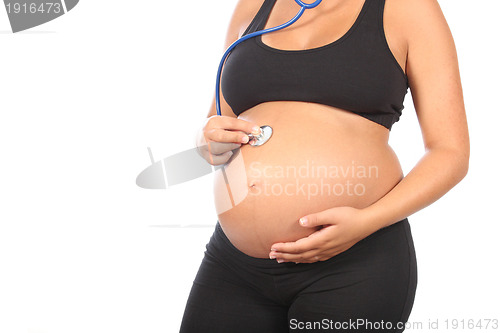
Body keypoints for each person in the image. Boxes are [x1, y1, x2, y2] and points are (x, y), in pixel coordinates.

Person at [181, 0, 469, 332]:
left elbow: (450, 153)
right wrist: (209, 140)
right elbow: (219, 120)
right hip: (235, 264)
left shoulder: (407, 8)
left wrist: (364, 222)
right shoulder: (254, 6)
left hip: (353, 263)